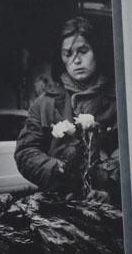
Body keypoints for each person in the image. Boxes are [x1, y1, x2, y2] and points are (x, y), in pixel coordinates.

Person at [15, 16, 120, 203]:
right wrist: (57, 169)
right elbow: (26, 152)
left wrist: (112, 188)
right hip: (59, 208)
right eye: (68, 53)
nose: (76, 60)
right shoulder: (44, 104)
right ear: (61, 57)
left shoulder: (120, 101)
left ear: (97, 51)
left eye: (83, 51)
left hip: (110, 206)